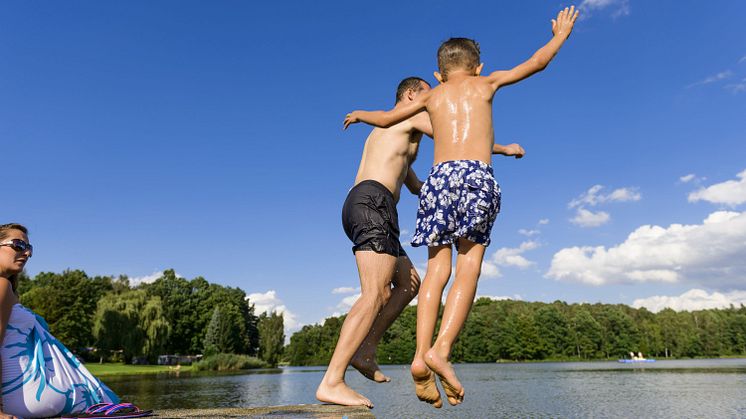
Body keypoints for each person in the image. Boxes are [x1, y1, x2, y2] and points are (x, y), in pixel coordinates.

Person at [344, 6, 578, 407]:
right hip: (475, 177)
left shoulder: (431, 97)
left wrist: (358, 114)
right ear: (478, 66)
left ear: (438, 74)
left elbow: (385, 118)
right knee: (469, 266)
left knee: (437, 270)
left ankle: (420, 357)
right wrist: (560, 35)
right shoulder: (487, 83)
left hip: (438, 180)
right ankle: (441, 350)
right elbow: (537, 63)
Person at [316, 77, 432, 409]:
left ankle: (366, 350)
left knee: (409, 283)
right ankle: (332, 381)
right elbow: (448, 126)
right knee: (374, 293)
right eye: (428, 95)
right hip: (372, 203)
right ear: (411, 95)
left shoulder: (401, 141)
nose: (433, 101)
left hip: (373, 206)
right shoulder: (405, 116)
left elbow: (414, 185)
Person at [0, 223, 120, 418]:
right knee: (103, 400)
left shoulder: (7, 288)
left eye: (29, 248)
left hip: (20, 395)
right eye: (18, 245)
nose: (27, 253)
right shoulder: (1, 285)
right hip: (20, 397)